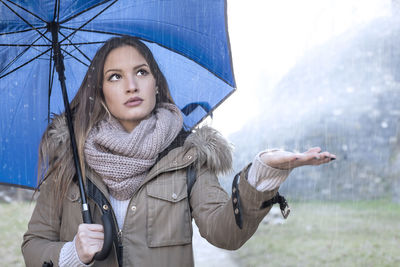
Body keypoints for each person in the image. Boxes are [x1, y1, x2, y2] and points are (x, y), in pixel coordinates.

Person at [21, 36, 336, 267]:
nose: (131, 85)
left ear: (155, 83)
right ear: (101, 94)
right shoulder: (71, 164)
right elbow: (34, 245)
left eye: (141, 72)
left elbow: (225, 232)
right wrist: (72, 253)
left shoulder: (188, 157)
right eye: (115, 77)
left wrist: (261, 175)